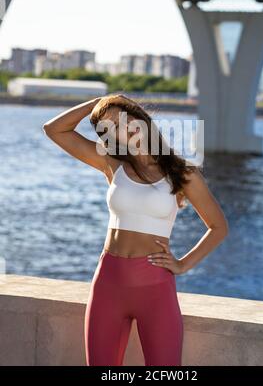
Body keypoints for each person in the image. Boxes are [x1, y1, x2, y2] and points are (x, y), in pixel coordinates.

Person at [43, 93, 229, 366]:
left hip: (155, 287)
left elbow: (218, 226)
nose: (123, 128)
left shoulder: (182, 173)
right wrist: (99, 102)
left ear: (139, 117)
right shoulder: (112, 164)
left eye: (124, 118)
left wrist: (183, 264)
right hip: (108, 282)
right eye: (112, 127)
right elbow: (54, 130)